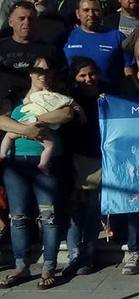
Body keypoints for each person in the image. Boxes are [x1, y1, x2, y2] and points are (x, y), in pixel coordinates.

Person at [0, 56, 74, 290]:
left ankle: (48, 267)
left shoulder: (58, 97)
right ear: (30, 73)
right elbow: (1, 121)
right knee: (18, 217)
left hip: (46, 164)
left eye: (47, 70)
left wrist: (33, 119)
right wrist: (28, 130)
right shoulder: (15, 97)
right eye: (37, 70)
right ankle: (21, 266)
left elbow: (66, 115)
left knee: (48, 217)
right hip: (16, 163)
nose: (42, 74)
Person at [61, 57, 103, 276]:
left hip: (99, 160)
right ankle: (73, 256)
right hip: (75, 161)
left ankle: (88, 254)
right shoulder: (68, 100)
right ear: (75, 77)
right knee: (75, 210)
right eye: (82, 75)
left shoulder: (107, 97)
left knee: (93, 211)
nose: (88, 79)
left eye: (92, 74)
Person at [0, 76, 71, 173]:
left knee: (9, 136)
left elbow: (68, 113)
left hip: (32, 123)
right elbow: (71, 103)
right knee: (49, 146)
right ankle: (43, 164)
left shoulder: (37, 96)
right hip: (38, 127)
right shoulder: (58, 99)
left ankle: (2, 153)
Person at [63, 0, 135, 92]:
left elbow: (129, 69)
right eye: (86, 10)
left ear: (102, 12)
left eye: (95, 10)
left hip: (110, 97)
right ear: (77, 13)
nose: (91, 14)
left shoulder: (117, 36)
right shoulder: (67, 36)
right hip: (74, 97)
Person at [0, 2, 60, 103]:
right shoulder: (1, 46)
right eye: (21, 18)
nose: (26, 22)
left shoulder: (48, 50)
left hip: (38, 105)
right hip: (4, 106)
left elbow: (56, 80)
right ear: (10, 22)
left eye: (30, 19)